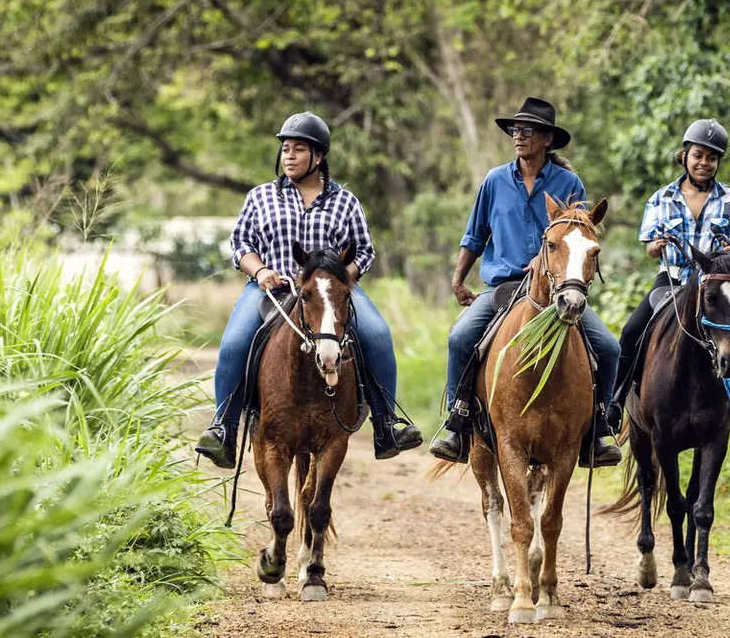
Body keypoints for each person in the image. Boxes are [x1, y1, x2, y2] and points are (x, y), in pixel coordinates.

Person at [194, 112, 423, 467]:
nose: (289, 156)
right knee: (235, 342)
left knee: (377, 334)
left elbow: (364, 250)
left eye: (298, 149)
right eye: (285, 149)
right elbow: (240, 245)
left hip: (329, 291)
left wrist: (338, 282)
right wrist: (260, 270)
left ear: (318, 157)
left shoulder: (345, 202)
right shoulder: (261, 197)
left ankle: (386, 423)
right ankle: (223, 427)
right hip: (272, 288)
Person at [427, 97, 623, 468]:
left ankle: (599, 430)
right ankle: (457, 421)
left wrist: (548, 260)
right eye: (516, 130)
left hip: (557, 290)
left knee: (610, 348)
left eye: (527, 131)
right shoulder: (495, 181)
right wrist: (457, 279)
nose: (519, 137)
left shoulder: (569, 183)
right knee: (460, 338)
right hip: (503, 286)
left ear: (547, 139)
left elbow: (580, 234)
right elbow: (474, 236)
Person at [615, 119, 730, 444]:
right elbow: (648, 246)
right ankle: (612, 408)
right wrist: (654, 247)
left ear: (718, 162)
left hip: (716, 287)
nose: (704, 162)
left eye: (712, 158)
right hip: (672, 283)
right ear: (684, 155)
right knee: (631, 331)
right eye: (698, 155)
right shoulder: (661, 198)